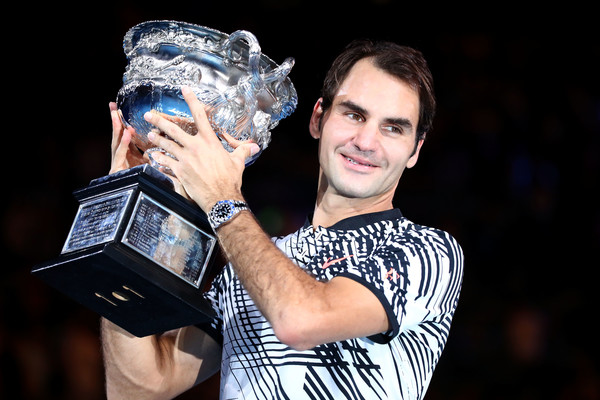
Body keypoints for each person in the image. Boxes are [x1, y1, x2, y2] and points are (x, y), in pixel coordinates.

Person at [102, 39, 464, 400]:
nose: (366, 141)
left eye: (393, 128)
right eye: (354, 115)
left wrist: (220, 196)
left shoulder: (426, 251)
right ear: (318, 118)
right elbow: (136, 389)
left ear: (415, 149)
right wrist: (132, 212)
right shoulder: (249, 264)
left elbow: (300, 321)